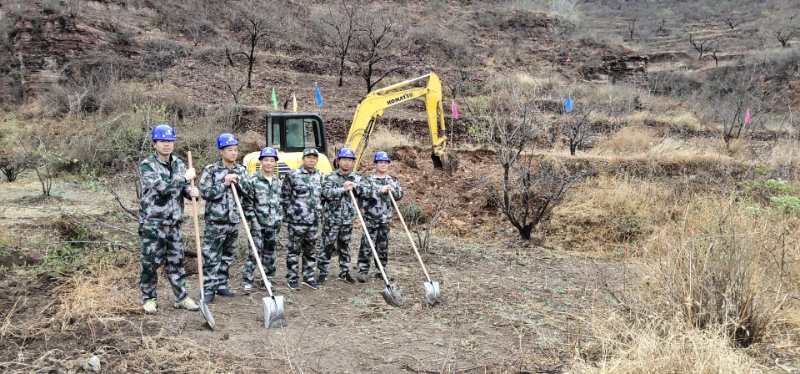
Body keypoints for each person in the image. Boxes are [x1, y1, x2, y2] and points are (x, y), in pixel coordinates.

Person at [137, 123, 200, 314]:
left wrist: (191, 191)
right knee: (150, 263)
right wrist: (184, 179)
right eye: (163, 141)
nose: (167, 144)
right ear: (155, 143)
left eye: (170, 141)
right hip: (153, 223)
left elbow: (181, 189)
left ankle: (181, 298)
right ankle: (149, 299)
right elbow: (163, 188)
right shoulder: (147, 165)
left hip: (174, 223)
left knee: (176, 262)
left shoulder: (179, 164)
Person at [198, 133, 247, 302]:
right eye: (229, 150)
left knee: (227, 255)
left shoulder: (241, 170)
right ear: (221, 151)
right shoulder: (211, 170)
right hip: (215, 221)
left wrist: (239, 183)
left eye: (235, 150)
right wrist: (223, 184)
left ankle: (221, 285)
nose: (233, 153)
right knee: (211, 256)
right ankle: (209, 288)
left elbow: (248, 193)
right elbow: (204, 193)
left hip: (233, 221)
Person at [317, 148, 368, 284]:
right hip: (331, 219)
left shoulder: (357, 178)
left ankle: (344, 272)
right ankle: (322, 272)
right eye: (344, 160)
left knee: (345, 246)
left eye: (350, 161)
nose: (347, 163)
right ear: (338, 161)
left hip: (347, 219)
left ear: (353, 163)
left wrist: (355, 187)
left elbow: (365, 192)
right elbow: (325, 193)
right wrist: (342, 188)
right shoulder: (330, 177)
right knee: (327, 245)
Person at [356, 151, 404, 283]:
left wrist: (393, 190)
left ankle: (381, 270)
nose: (383, 165)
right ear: (375, 164)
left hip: (385, 219)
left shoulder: (392, 180)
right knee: (367, 244)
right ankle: (362, 270)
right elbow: (362, 192)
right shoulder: (367, 180)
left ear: (388, 164)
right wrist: (379, 190)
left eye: (385, 162)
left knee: (383, 245)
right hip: (371, 218)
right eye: (380, 162)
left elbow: (400, 195)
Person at [240, 147, 283, 293]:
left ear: (275, 163)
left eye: (272, 160)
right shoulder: (253, 180)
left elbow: (280, 202)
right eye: (266, 160)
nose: (269, 163)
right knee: (254, 252)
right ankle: (247, 280)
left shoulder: (278, 181)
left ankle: (267, 279)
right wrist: (254, 221)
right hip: (258, 224)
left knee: (270, 252)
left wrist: (279, 219)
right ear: (261, 162)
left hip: (274, 224)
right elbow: (247, 204)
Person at [281, 148, 324, 290]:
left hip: (313, 222)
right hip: (297, 221)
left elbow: (322, 198)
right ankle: (292, 278)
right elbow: (285, 196)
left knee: (310, 251)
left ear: (316, 160)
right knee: (294, 251)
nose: (311, 160)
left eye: (314, 158)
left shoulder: (320, 176)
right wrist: (289, 216)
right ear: (303, 159)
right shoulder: (293, 175)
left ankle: (309, 277)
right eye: (308, 157)